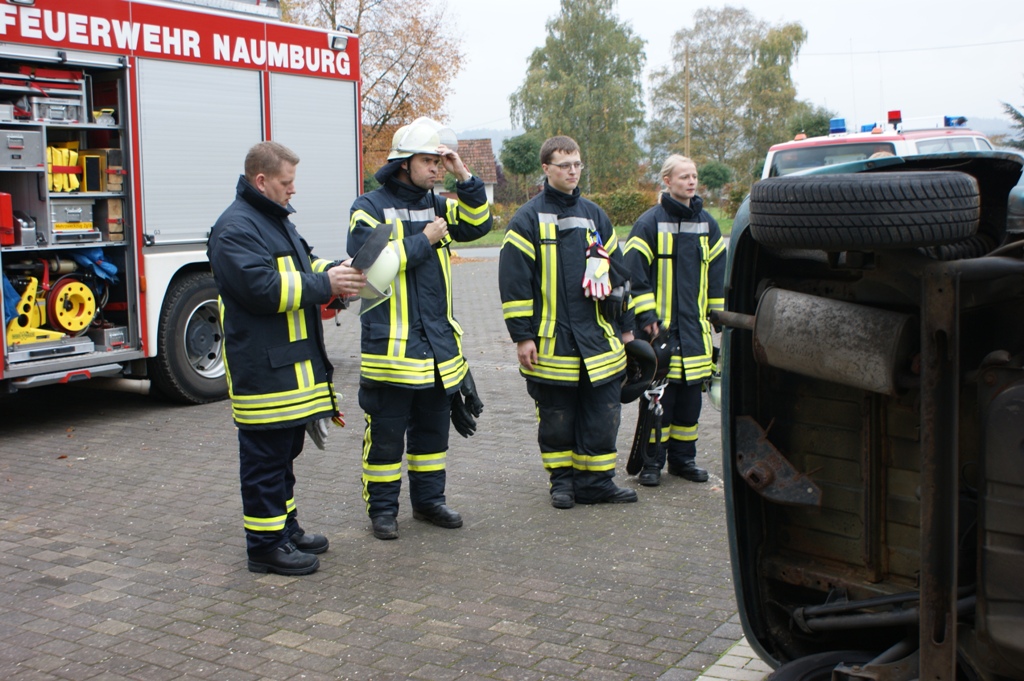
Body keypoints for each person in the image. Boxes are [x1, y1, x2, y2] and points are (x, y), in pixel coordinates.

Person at [208, 140, 366, 575]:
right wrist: (326, 284)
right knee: (264, 460)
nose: (293, 189)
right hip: (262, 371)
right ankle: (264, 547)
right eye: (286, 182)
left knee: (283, 454)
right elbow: (262, 289)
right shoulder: (235, 228)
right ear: (261, 181)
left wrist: (339, 271)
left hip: (287, 367)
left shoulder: (273, 220)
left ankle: (284, 529)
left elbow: (304, 264)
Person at [348, 117, 491, 540]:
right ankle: (383, 512)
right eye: (428, 161)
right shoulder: (368, 207)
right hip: (391, 351)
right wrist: (422, 240)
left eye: (439, 161)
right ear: (403, 163)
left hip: (436, 349)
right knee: (387, 438)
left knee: (432, 434)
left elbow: (479, 224)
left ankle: (429, 502)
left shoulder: (439, 205)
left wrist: (464, 175)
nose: (435, 169)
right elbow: (367, 266)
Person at [498, 135, 638, 509]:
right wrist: (523, 336)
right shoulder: (526, 219)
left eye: (577, 164)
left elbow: (620, 276)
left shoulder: (596, 215)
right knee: (557, 418)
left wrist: (627, 330)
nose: (573, 171)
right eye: (565, 165)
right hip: (553, 343)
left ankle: (597, 484)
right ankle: (562, 483)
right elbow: (514, 283)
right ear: (546, 169)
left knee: (603, 414)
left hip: (599, 341)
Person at [623, 154, 726, 487]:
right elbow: (633, 273)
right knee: (658, 403)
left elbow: (717, 274)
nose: (691, 181)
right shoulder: (649, 223)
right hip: (660, 334)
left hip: (694, 333)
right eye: (684, 176)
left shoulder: (708, 224)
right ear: (667, 181)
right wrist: (646, 315)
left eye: (694, 176)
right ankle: (652, 462)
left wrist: (717, 315)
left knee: (689, 406)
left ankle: (683, 461)